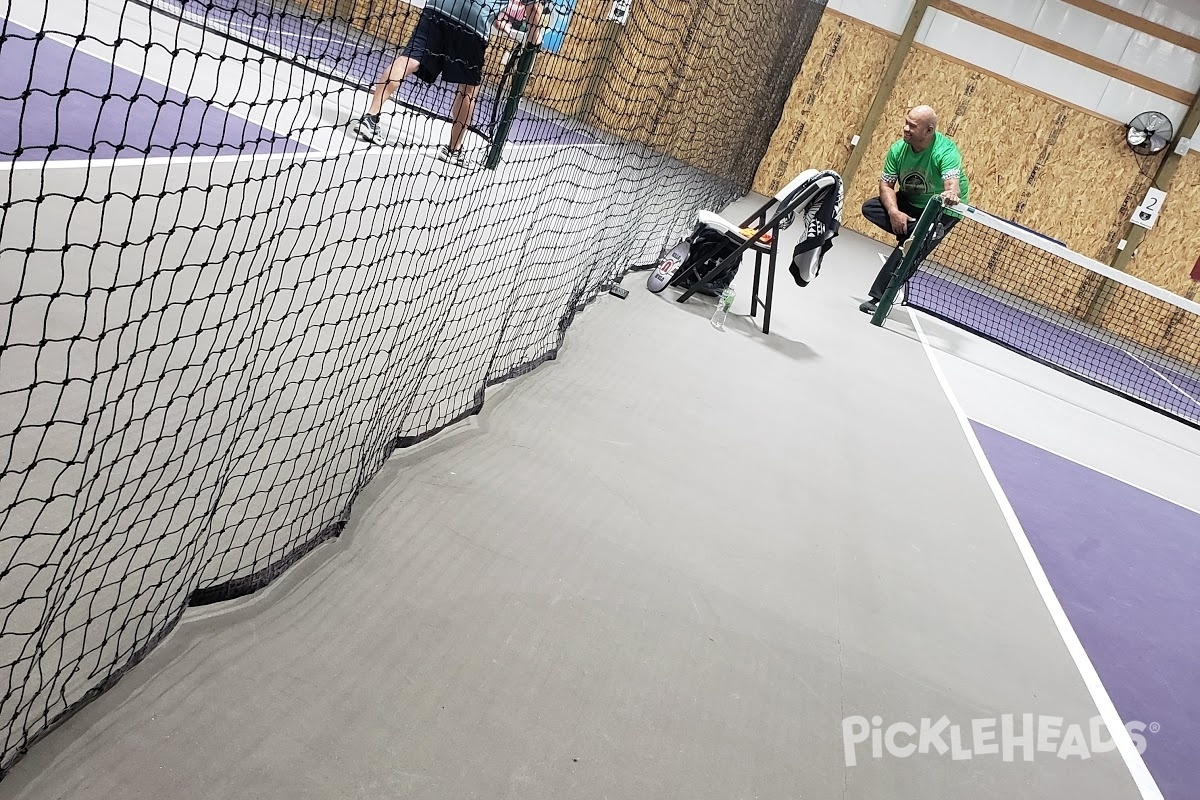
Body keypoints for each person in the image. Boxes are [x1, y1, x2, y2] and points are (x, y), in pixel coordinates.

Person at [354, 0, 546, 164]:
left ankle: (370, 117)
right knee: (468, 90)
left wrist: (494, 19)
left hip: (438, 7)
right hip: (472, 22)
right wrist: (534, 42)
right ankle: (454, 150)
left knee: (409, 60)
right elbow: (534, 10)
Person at [859, 105, 969, 314]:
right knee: (871, 207)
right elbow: (886, 185)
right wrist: (894, 212)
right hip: (911, 201)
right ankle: (919, 231)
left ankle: (878, 300)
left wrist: (951, 194)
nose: (906, 128)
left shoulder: (945, 151)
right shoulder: (898, 150)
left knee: (909, 250)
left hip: (942, 209)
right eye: (906, 122)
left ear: (928, 131)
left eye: (912, 125)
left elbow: (951, 183)